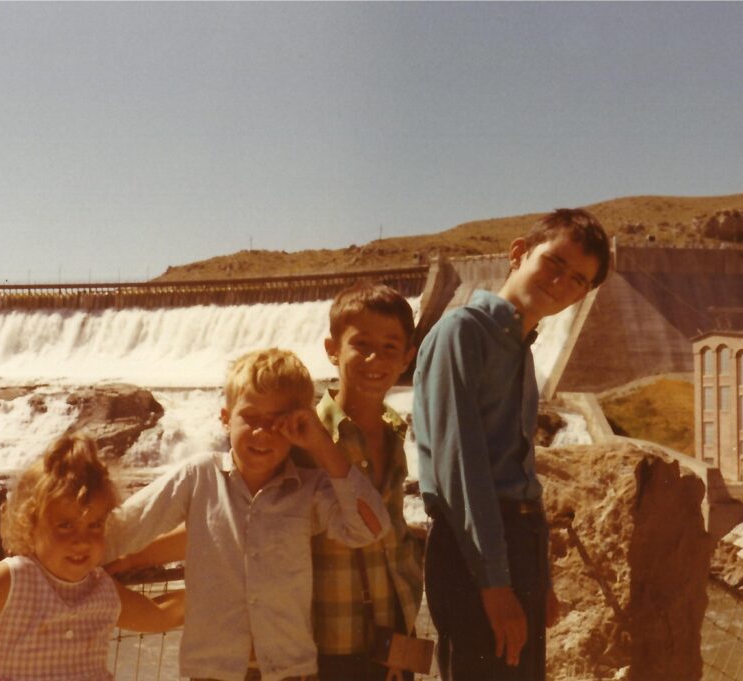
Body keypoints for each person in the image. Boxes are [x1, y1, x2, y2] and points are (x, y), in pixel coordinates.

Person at [103, 347, 391, 681]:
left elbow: (371, 528)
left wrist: (321, 444)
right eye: (251, 418)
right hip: (212, 673)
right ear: (225, 417)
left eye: (277, 422)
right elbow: (122, 529)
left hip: (290, 673)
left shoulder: (309, 490)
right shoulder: (199, 477)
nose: (262, 432)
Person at [413, 208, 611, 681]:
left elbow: (519, 471)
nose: (562, 283)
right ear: (519, 253)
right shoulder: (464, 332)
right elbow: (462, 470)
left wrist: (536, 576)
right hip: (474, 551)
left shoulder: (519, 346)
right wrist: (494, 583)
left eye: (578, 280)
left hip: (516, 546)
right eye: (555, 263)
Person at [0, 433, 184, 678]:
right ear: (29, 525)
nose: (81, 540)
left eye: (94, 524)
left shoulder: (102, 588)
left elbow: (158, 615)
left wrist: (217, 587)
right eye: (65, 525)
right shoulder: (11, 580)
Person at [296, 282, 423, 681]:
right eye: (361, 344)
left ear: (407, 357)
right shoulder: (307, 437)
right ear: (332, 350)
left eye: (390, 347)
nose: (375, 358)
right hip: (329, 642)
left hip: (395, 634)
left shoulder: (394, 429)